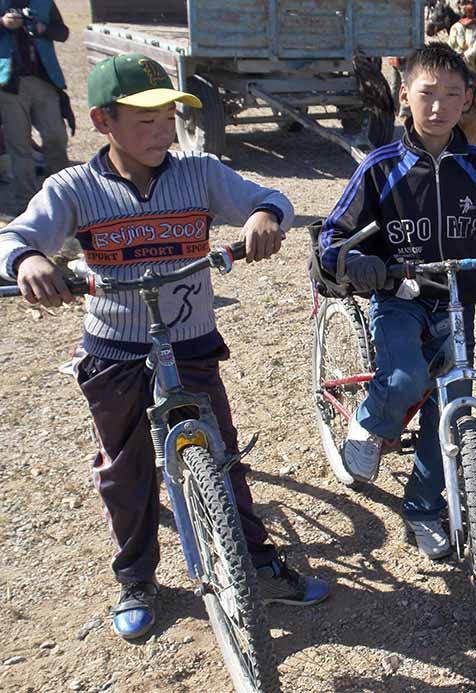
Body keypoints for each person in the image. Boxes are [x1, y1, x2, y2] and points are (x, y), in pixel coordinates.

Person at [0, 53, 331, 639]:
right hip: (116, 347)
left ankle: (255, 560)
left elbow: (269, 198)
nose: (161, 134)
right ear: (103, 122)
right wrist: (28, 260)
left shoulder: (199, 172)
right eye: (144, 122)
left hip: (190, 339)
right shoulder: (73, 187)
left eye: (169, 119)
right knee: (125, 467)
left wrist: (262, 218)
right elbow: (18, 235)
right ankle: (136, 577)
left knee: (221, 451)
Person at [318, 43, 476, 560]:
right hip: (399, 296)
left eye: (452, 95)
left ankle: (423, 506)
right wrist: (354, 260)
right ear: (405, 95)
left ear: (468, 100)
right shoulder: (381, 167)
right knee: (405, 378)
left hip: (457, 302)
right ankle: (370, 423)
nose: (439, 106)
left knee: (450, 403)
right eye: (427, 94)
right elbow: (334, 234)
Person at [0, 1, 70, 215]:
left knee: (56, 138)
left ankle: (65, 196)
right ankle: (26, 204)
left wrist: (43, 28)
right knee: (19, 146)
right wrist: (3, 23)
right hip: (10, 83)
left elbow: (63, 32)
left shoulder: (44, 2)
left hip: (44, 80)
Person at [447, 3, 476, 77]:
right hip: (472, 64)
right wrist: (466, 55)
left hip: (457, 62)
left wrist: (456, 55)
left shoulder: (455, 26)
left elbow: (450, 44)